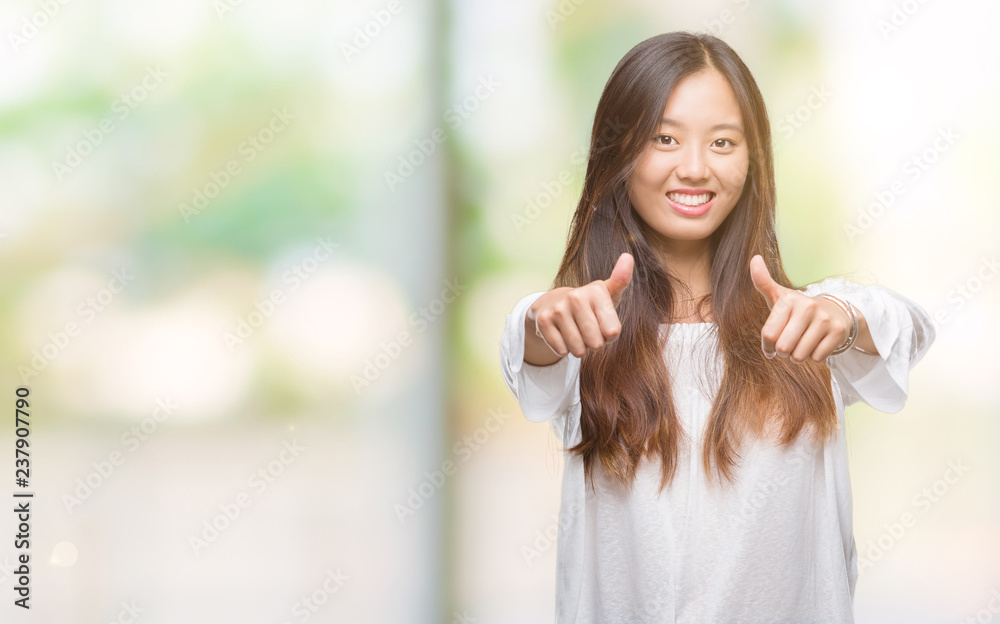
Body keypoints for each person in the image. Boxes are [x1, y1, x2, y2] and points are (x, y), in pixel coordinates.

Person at [498, 31, 936, 623]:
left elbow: (910, 328)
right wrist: (542, 320)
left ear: (754, 159)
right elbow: (528, 344)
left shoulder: (801, 325)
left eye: (723, 141)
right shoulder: (585, 332)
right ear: (618, 153)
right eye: (665, 138)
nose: (696, 167)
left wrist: (848, 318)